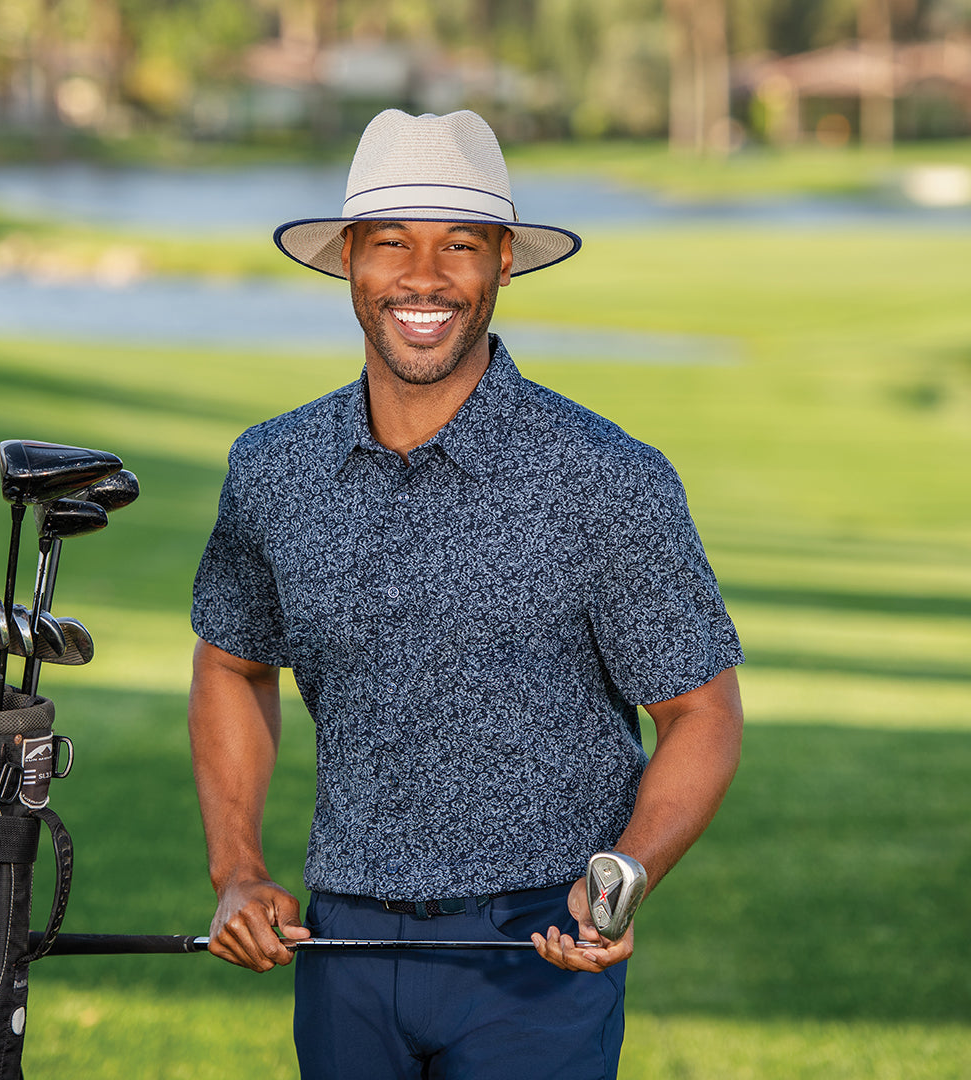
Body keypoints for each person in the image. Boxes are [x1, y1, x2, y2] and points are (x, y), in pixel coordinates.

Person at [189, 108, 744, 1080]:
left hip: (542, 952)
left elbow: (701, 711)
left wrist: (624, 876)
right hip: (345, 949)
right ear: (350, 261)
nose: (424, 275)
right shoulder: (272, 469)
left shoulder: (606, 476)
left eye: (460, 243)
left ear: (503, 264)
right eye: (392, 241)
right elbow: (231, 664)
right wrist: (238, 871)